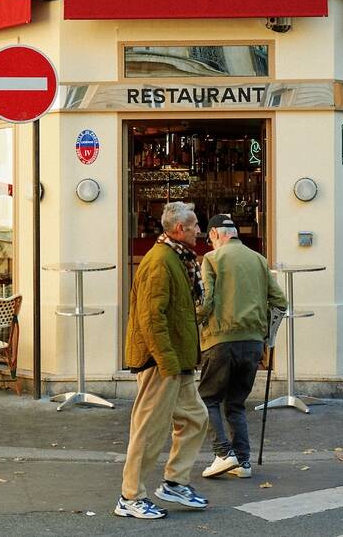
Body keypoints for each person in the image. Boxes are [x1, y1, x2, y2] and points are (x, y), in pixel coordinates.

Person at [115, 201, 209, 520]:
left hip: (176, 360)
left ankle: (174, 482)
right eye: (195, 225)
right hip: (162, 362)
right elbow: (151, 318)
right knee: (149, 430)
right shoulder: (160, 262)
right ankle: (130, 497)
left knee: (196, 418)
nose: (200, 230)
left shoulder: (177, 258)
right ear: (179, 229)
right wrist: (167, 362)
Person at [197, 215, 287, 479]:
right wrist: (267, 339)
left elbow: (206, 301)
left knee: (208, 399)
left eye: (210, 239)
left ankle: (223, 454)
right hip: (252, 343)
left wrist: (194, 321)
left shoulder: (212, 260)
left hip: (221, 340)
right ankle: (243, 462)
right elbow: (281, 303)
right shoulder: (259, 260)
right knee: (235, 403)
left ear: (214, 234)